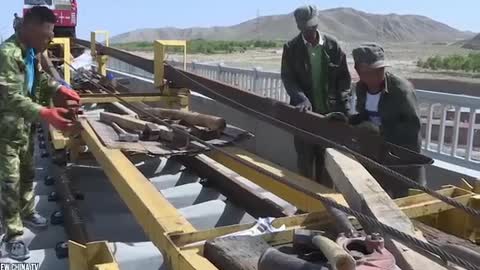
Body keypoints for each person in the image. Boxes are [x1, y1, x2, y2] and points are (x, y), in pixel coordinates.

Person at [0, 6, 80, 260]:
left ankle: (26, 212)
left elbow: (38, 80)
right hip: (7, 130)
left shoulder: (31, 52)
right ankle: (12, 234)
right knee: (9, 181)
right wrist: (47, 114)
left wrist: (58, 89)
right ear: (30, 29)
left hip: (25, 127)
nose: (49, 40)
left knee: (27, 173)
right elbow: (11, 96)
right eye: (46, 36)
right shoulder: (8, 54)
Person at [281, 5, 351, 185]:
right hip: (305, 118)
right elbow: (288, 79)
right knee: (305, 161)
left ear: (317, 22)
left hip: (329, 118)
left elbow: (344, 79)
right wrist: (301, 98)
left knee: (326, 164)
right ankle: (305, 203)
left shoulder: (332, 45)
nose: (309, 32)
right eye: (305, 28)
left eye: (312, 27)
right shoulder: (291, 48)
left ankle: (325, 206)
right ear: (299, 26)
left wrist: (341, 105)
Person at [349, 43, 426, 198]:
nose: (378, 74)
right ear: (359, 71)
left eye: (381, 69)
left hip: (402, 160)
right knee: (378, 199)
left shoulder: (401, 90)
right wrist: (351, 121)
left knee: (406, 200)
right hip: (376, 156)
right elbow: (366, 115)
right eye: (371, 71)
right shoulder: (361, 89)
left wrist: (380, 133)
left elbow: (412, 127)